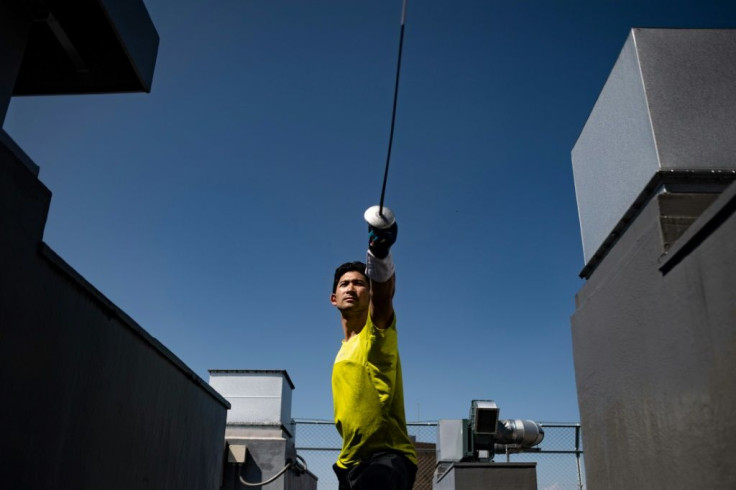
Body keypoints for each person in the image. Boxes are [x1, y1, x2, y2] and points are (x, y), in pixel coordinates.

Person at [330, 213, 417, 490]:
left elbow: (383, 297)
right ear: (334, 298)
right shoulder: (342, 351)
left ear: (368, 294)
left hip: (385, 460)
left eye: (360, 283)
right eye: (345, 284)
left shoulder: (376, 335)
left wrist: (379, 254)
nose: (352, 288)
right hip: (350, 463)